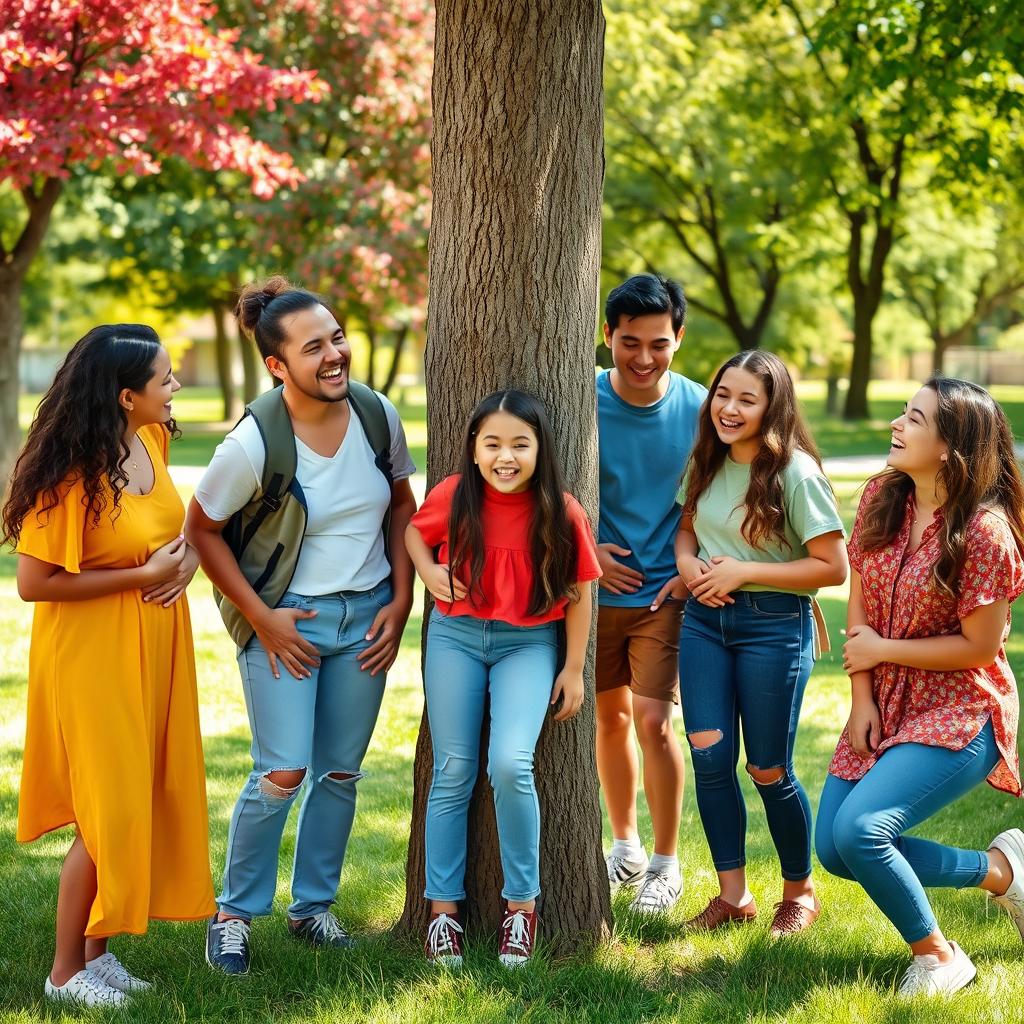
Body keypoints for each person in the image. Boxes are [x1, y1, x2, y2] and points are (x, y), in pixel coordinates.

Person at [186, 277, 417, 975]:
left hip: (367, 616)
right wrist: (262, 620)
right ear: (278, 366)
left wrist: (401, 602)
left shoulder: (377, 415)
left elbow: (402, 507)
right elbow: (202, 529)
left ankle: (312, 907)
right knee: (282, 771)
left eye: (337, 337)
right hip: (289, 621)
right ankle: (233, 915)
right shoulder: (253, 442)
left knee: (340, 772)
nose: (335, 354)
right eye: (314, 347)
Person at [2, 325, 215, 1007]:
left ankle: (98, 952)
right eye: (164, 378)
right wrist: (139, 578)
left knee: (141, 795)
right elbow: (33, 585)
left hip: (155, 646)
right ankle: (64, 973)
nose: (174, 385)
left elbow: (166, 538)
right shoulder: (67, 473)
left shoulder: (150, 439)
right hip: (92, 655)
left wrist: (183, 565)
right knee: (109, 814)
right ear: (126, 396)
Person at [816, 377, 1024, 997]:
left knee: (861, 833)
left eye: (913, 418)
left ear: (949, 447)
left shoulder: (985, 534)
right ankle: (1000, 872)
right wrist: (861, 695)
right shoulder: (885, 495)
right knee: (833, 848)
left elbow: (981, 648)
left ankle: (938, 958)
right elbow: (860, 595)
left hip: (960, 708)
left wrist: (885, 651)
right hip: (884, 698)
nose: (896, 426)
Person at [405, 390, 601, 968]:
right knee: (454, 768)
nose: (505, 456)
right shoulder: (453, 495)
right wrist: (428, 569)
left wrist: (572, 668)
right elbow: (416, 533)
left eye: (520, 443)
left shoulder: (561, 511)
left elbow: (581, 591)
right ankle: (443, 914)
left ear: (541, 447)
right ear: (473, 447)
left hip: (528, 644)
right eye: (492, 444)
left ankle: (522, 906)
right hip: (455, 638)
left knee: (511, 763)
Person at [675, 349, 847, 936]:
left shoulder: (795, 474)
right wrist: (691, 566)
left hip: (773, 627)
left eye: (747, 399)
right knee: (709, 758)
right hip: (703, 622)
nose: (730, 408)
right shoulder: (705, 459)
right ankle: (734, 896)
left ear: (773, 408)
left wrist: (742, 572)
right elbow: (685, 529)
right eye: (723, 394)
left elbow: (831, 568)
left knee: (768, 768)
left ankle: (798, 893)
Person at [594, 273, 707, 914]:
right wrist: (588, 553)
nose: (642, 358)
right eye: (629, 342)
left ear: (678, 339)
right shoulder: (579, 397)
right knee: (608, 720)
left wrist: (688, 572)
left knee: (655, 721)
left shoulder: (699, 409)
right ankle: (626, 847)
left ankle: (666, 864)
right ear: (608, 336)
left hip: (666, 597)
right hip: (595, 594)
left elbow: (720, 498)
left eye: (658, 344)